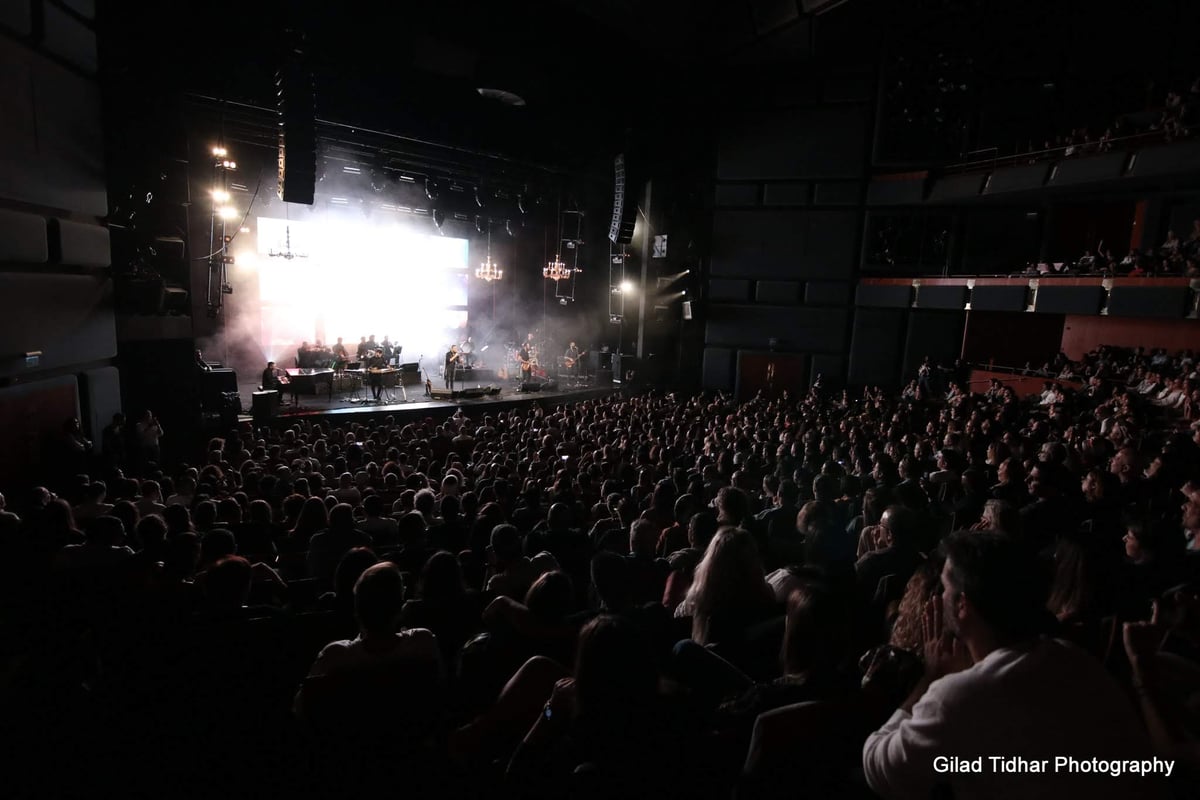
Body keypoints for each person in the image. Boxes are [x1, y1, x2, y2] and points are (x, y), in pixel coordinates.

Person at [862, 531, 1167, 800]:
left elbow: (878, 768)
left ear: (962, 605)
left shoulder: (956, 696)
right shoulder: (1074, 658)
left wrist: (931, 677)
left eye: (944, 589)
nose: (939, 597)